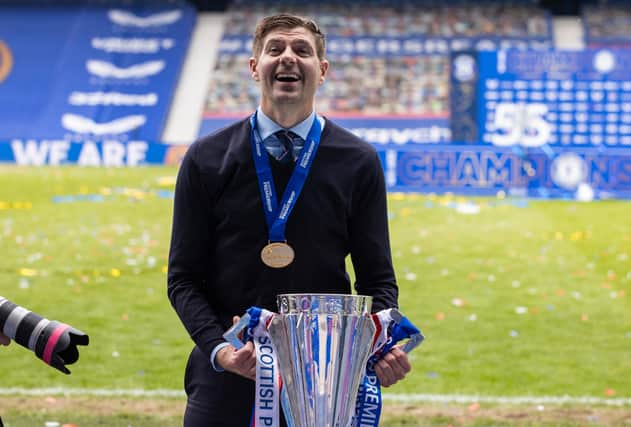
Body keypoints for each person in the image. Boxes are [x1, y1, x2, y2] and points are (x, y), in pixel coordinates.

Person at [167, 13, 411, 427]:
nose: (288, 59)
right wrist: (220, 350)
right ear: (253, 66)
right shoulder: (206, 159)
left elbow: (377, 282)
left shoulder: (358, 162)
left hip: (324, 379)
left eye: (302, 50)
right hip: (228, 372)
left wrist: (381, 348)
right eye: (274, 49)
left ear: (323, 71)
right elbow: (183, 278)